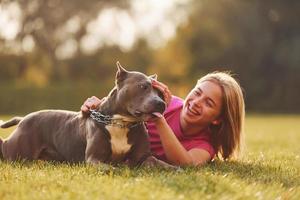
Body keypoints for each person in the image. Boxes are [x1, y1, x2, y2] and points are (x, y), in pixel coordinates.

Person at [81, 71, 245, 166]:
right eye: (197, 92)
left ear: (217, 119)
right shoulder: (168, 102)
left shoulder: (204, 146)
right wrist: (97, 104)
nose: (196, 102)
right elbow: (121, 105)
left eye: (208, 103)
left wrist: (160, 118)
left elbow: (186, 164)